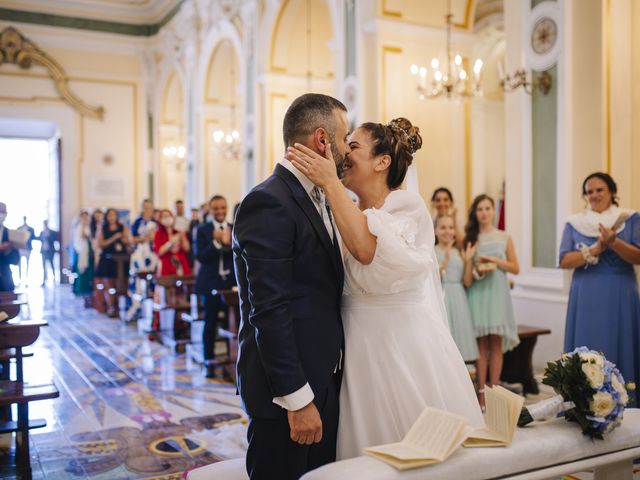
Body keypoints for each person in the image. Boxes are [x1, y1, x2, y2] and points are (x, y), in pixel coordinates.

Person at [287, 117, 483, 460]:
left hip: (401, 349)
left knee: (418, 450)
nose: (344, 153)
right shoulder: (345, 211)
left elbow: (366, 249)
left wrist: (331, 183)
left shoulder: (405, 206)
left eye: (354, 146)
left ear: (383, 161)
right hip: (358, 352)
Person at [233, 93, 349, 479]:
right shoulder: (269, 202)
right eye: (344, 138)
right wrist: (298, 401)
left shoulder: (319, 196)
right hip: (288, 395)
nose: (347, 149)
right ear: (322, 140)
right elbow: (269, 310)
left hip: (322, 383)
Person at [560, 172, 640, 405]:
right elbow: (564, 260)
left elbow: (638, 256)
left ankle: (625, 400)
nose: (594, 195)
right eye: (589, 191)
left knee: (619, 344)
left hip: (619, 292)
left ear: (612, 192)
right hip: (585, 294)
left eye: (600, 190)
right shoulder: (574, 223)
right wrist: (595, 249)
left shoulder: (630, 218)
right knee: (587, 347)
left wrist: (614, 242)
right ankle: (583, 404)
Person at [463, 194, 520, 409]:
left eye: (488, 208)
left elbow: (515, 268)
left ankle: (494, 390)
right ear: (475, 213)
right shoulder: (470, 237)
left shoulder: (504, 237)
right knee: (480, 344)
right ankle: (481, 393)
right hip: (477, 292)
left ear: (494, 211)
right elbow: (465, 270)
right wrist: (477, 267)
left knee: (496, 343)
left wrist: (495, 261)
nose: (484, 213)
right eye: (480, 209)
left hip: (497, 293)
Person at [195, 195, 236, 378]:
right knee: (210, 322)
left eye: (223, 208)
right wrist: (216, 243)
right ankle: (208, 360)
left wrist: (227, 243)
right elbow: (200, 256)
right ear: (210, 210)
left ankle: (231, 359)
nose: (220, 211)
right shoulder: (203, 230)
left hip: (229, 284)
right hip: (210, 282)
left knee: (231, 322)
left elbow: (237, 253)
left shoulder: (233, 228)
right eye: (216, 208)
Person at [435, 215, 478, 362]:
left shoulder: (459, 251)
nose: (447, 231)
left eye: (450, 227)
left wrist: (468, 261)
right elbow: (430, 280)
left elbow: (466, 281)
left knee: (459, 343)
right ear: (435, 231)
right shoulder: (431, 251)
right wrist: (444, 263)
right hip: (440, 296)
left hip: (458, 297)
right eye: (443, 227)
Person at [95, 208, 130, 317]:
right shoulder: (103, 228)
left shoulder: (122, 227)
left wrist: (124, 239)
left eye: (114, 215)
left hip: (120, 258)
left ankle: (120, 306)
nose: (112, 217)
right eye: (110, 215)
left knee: (120, 284)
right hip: (107, 258)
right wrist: (114, 237)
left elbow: (127, 241)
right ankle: (111, 307)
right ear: (107, 217)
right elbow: (100, 243)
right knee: (109, 284)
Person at [153, 209, 191, 277]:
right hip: (166, 264)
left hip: (180, 263)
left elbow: (187, 248)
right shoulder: (158, 234)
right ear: (160, 219)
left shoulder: (178, 232)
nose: (167, 218)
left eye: (168, 216)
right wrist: (170, 243)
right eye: (164, 217)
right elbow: (159, 251)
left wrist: (182, 237)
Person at [71, 210, 94, 298]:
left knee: (88, 271)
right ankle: (80, 289)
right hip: (81, 251)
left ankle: (87, 289)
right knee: (81, 270)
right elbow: (79, 238)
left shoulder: (89, 227)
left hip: (88, 251)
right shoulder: (79, 227)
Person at [0, 202, 19, 292]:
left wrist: (10, 250)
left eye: (3, 212)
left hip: (5, 277)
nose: (1, 214)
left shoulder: (10, 234)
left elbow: (15, 260)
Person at [39, 219, 59, 286]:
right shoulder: (42, 232)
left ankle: (54, 279)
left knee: (51, 265)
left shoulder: (51, 232)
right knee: (43, 266)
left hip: (50, 251)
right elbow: (39, 239)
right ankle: (44, 280)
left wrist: (48, 237)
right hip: (44, 251)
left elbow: (55, 239)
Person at [17, 216, 35, 284]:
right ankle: (20, 279)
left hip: (28, 249)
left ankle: (26, 279)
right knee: (19, 265)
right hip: (21, 249)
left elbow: (33, 238)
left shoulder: (30, 229)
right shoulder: (19, 228)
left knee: (27, 264)